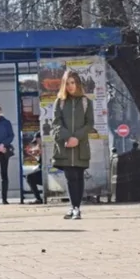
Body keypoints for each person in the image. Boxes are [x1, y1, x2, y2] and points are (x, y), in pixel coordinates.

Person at [51, 69, 95, 220]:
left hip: (80, 147)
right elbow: (56, 124)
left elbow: (89, 124)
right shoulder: (60, 102)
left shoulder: (86, 102)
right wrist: (67, 137)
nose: (70, 86)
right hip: (65, 147)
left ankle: (76, 207)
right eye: (67, 83)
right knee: (70, 177)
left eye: (73, 82)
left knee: (79, 176)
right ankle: (75, 208)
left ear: (78, 84)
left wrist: (77, 137)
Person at [25, 132, 44, 204]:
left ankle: (38, 199)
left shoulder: (47, 148)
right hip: (45, 172)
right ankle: (38, 198)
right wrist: (37, 156)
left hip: (50, 173)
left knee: (29, 177)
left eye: (38, 141)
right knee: (30, 177)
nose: (37, 143)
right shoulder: (39, 149)